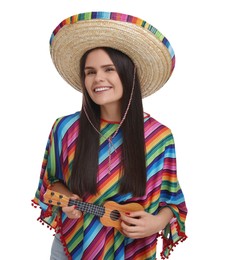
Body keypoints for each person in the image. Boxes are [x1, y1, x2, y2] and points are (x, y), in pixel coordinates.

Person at [32, 11, 187, 260]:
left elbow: (172, 200)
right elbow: (52, 181)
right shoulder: (66, 128)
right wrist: (68, 200)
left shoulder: (159, 137)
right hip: (74, 246)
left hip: (132, 251)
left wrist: (156, 223)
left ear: (127, 73)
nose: (98, 78)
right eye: (89, 71)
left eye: (109, 69)